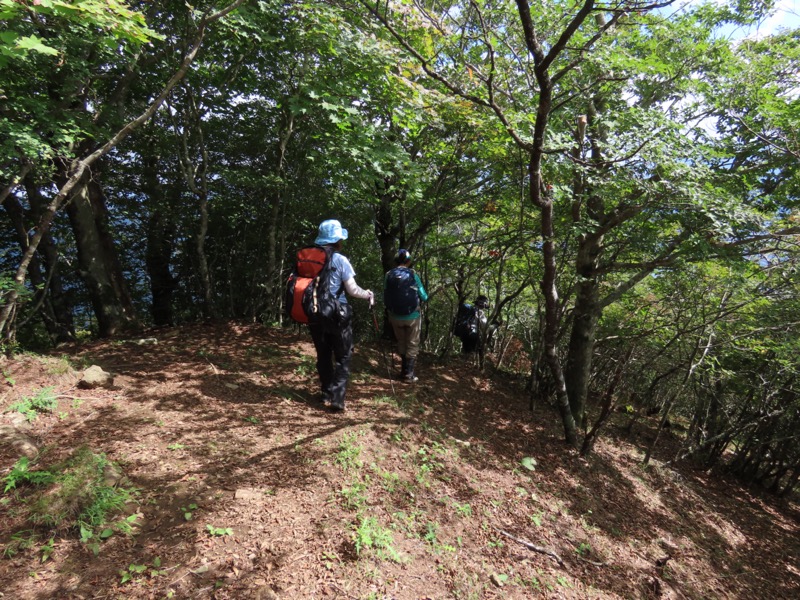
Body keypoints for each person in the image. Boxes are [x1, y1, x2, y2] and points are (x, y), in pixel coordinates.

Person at [308, 219, 373, 412]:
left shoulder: (311, 258)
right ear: (337, 240)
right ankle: (337, 398)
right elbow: (352, 290)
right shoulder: (340, 259)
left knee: (323, 354)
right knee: (343, 356)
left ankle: (326, 392)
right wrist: (368, 294)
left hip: (315, 313)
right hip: (337, 314)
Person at [384, 249, 428, 382]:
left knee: (402, 342)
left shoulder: (388, 274)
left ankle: (403, 371)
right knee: (412, 343)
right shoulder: (413, 274)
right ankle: (408, 374)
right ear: (408, 261)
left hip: (395, 316)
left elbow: (385, 294)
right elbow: (424, 296)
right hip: (412, 316)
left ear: (396, 260)